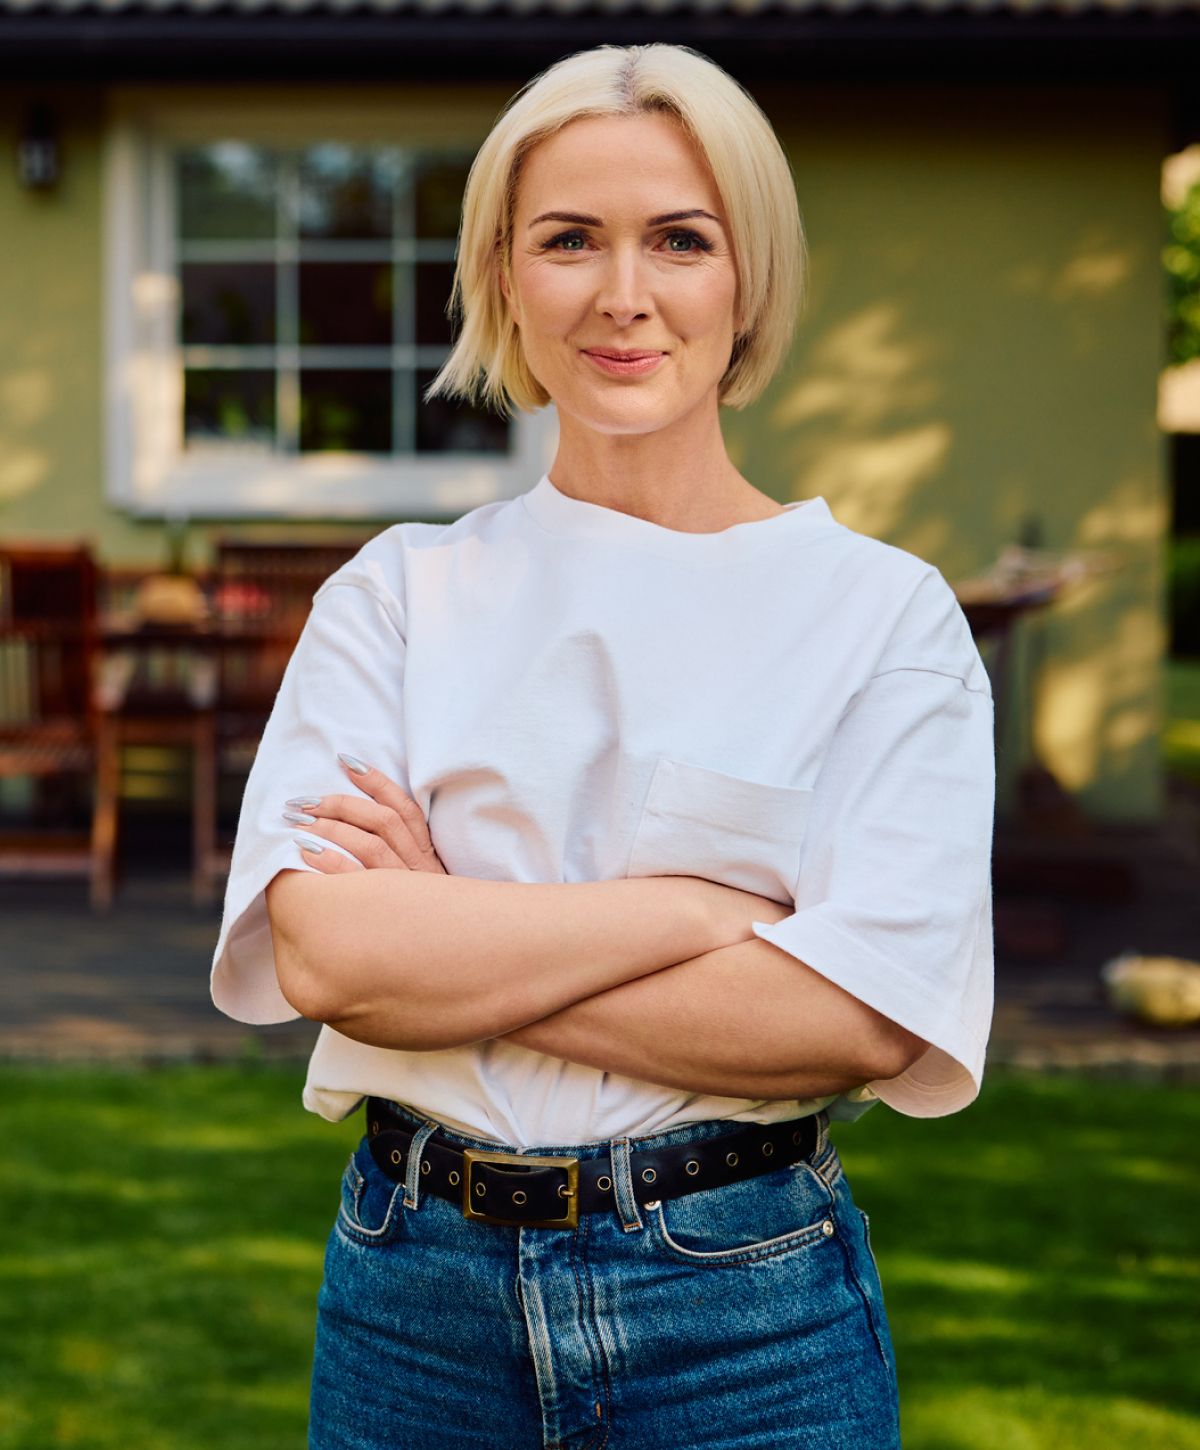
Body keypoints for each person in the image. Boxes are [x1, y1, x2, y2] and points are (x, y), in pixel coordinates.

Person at [210, 41, 995, 1450]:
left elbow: (858, 1016)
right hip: (415, 1306)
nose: (623, 294)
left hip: (745, 1320)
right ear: (506, 274)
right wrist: (695, 915)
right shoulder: (396, 594)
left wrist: (445, 935)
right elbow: (324, 956)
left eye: (680, 240)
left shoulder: (884, 617)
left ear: (745, 275)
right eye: (569, 238)